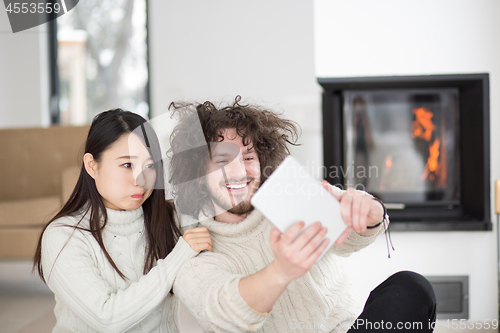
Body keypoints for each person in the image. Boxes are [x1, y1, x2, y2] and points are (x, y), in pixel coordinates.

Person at [168, 97, 436, 332]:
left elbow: (350, 238)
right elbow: (223, 317)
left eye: (248, 158)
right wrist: (281, 271)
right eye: (223, 160)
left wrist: (370, 213)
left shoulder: (288, 198)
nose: (240, 171)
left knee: (411, 289)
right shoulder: (193, 245)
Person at [33, 109, 212, 332]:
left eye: (149, 166)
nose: (141, 180)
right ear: (91, 165)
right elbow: (107, 319)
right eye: (127, 165)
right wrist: (180, 253)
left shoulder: (172, 217)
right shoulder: (63, 235)